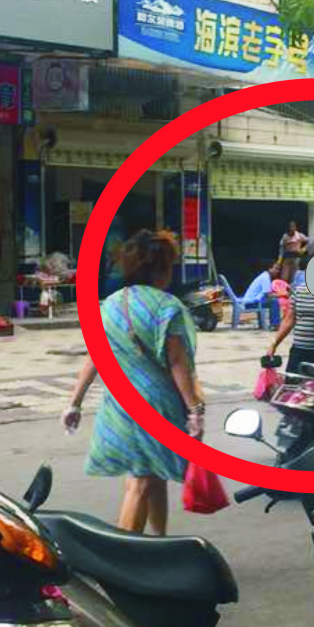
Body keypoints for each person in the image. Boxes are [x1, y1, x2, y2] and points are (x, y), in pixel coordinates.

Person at [62, 230, 204, 536]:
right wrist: (195, 410)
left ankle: (159, 541)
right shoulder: (167, 307)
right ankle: (126, 551)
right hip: (156, 408)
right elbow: (178, 363)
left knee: (152, 476)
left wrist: (74, 403)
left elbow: (95, 357)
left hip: (120, 405)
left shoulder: (111, 304)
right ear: (162, 268)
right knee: (140, 482)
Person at [269, 250, 314, 374]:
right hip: (299, 350)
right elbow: (288, 320)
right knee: (293, 383)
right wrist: (274, 343)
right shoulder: (298, 292)